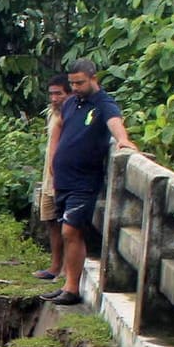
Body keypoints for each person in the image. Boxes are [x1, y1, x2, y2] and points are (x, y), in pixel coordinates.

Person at [46, 58, 135, 306]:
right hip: (63, 178)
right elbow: (59, 127)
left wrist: (123, 140)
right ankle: (67, 282)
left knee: (71, 230)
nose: (75, 87)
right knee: (66, 232)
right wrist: (53, 158)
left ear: (94, 78)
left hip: (85, 180)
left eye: (80, 82)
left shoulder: (103, 103)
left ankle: (72, 288)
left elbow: (114, 121)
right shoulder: (72, 102)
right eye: (72, 83)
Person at [34, 74, 69, 279]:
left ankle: (66, 268)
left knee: (66, 224)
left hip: (62, 179)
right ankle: (55, 265)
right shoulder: (52, 114)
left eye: (59, 94)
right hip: (49, 177)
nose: (54, 98)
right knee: (50, 221)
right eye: (52, 94)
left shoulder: (71, 115)